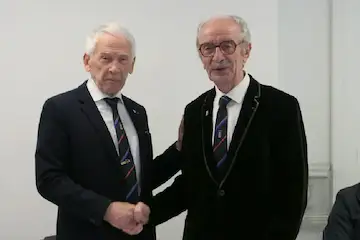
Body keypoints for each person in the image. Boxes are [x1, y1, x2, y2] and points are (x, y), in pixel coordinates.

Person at [147, 15, 309, 239]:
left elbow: (292, 190)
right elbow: (192, 184)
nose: (217, 56)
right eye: (208, 48)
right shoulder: (194, 111)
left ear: (246, 51)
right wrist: (146, 215)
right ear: (201, 56)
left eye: (227, 46)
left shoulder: (280, 106)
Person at [35, 22, 183, 240]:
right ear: (87, 61)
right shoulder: (60, 108)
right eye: (106, 58)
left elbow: (141, 177)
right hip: (87, 233)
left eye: (123, 59)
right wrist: (106, 210)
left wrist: (179, 150)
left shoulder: (137, 112)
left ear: (132, 65)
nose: (114, 68)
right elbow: (49, 179)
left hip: (139, 234)